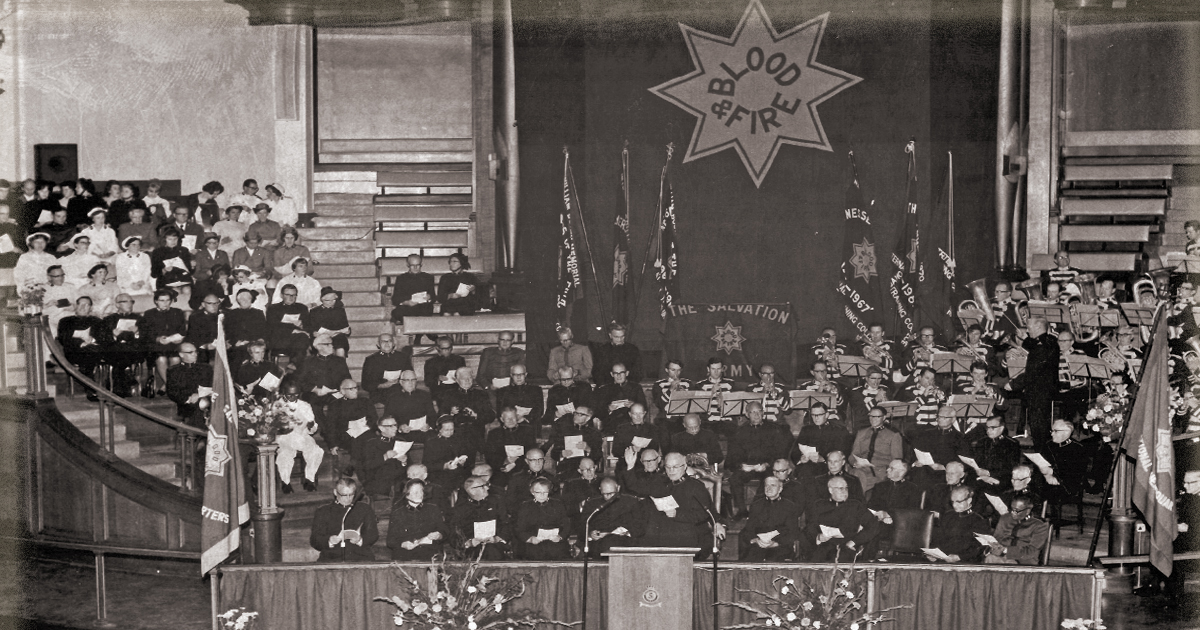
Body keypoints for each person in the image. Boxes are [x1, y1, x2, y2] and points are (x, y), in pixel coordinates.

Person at [640, 452, 726, 560]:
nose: (671, 471)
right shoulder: (660, 483)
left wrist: (677, 514)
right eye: (668, 467)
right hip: (663, 531)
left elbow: (704, 514)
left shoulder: (695, 486)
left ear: (684, 466)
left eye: (675, 467)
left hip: (689, 532)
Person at [727, 402, 790, 518]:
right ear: (747, 414)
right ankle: (742, 510)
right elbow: (732, 457)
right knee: (734, 479)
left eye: (759, 411)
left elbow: (781, 452)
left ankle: (758, 510)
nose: (756, 415)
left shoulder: (774, 429)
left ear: (763, 412)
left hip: (767, 467)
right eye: (752, 412)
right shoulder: (740, 432)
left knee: (770, 478)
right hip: (747, 467)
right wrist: (742, 466)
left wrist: (767, 464)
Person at [1005, 316, 1060, 448]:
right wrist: (1025, 338)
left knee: (1038, 428)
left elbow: (1032, 371)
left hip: (1039, 391)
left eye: (1029, 328)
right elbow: (1034, 344)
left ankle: (1042, 454)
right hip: (1043, 390)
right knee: (1040, 425)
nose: (1028, 331)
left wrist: (1013, 384)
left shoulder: (1041, 347)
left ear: (1038, 327)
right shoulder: (1050, 341)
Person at [797, 476, 879, 563]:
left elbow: (873, 525)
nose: (844, 491)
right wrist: (818, 537)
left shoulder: (855, 506)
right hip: (824, 545)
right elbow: (811, 527)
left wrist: (854, 542)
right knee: (814, 564)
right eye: (840, 488)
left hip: (846, 546)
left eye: (846, 488)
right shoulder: (819, 505)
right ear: (831, 490)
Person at [310, 478, 379, 562]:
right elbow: (314, 539)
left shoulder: (364, 509)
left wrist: (360, 540)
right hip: (332, 558)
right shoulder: (323, 511)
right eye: (344, 495)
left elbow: (373, 534)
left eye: (351, 494)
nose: (348, 498)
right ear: (335, 492)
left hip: (360, 557)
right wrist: (329, 541)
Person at [738, 475, 801, 562]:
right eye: (766, 485)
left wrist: (775, 543)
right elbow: (749, 529)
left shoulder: (790, 506)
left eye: (773, 485)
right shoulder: (756, 505)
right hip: (759, 545)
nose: (769, 488)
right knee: (750, 557)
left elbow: (793, 531)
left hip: (779, 545)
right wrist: (755, 540)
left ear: (780, 489)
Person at [579, 477, 646, 558]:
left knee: (611, 542)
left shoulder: (631, 502)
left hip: (622, 541)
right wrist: (591, 533)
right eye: (605, 494)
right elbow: (583, 525)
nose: (608, 497)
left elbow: (640, 526)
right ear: (600, 490)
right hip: (598, 544)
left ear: (618, 488)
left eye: (611, 493)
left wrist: (622, 531)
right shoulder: (592, 503)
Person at [909, 405, 972, 489]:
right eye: (939, 416)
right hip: (926, 470)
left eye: (944, 417)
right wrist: (916, 461)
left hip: (946, 472)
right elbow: (915, 452)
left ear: (953, 419)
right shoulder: (926, 434)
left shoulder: (960, 438)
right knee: (918, 475)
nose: (940, 419)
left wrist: (944, 467)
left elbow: (966, 461)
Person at [296, 334, 352, 428]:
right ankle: (327, 431)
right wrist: (315, 389)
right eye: (328, 344)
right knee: (314, 407)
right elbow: (300, 381)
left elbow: (347, 379)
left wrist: (343, 389)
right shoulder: (308, 362)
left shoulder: (339, 361)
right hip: (315, 393)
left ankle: (331, 432)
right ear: (318, 346)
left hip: (335, 393)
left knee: (338, 406)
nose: (332, 346)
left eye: (332, 344)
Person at [452, 474, 512, 560]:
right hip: (472, 548)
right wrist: (469, 543)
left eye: (487, 485)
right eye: (483, 486)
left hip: (495, 544)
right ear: (472, 491)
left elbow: (506, 524)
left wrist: (498, 538)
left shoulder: (496, 502)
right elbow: (454, 533)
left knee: (491, 550)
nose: (487, 488)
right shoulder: (461, 509)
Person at [925, 485, 991, 563]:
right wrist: (932, 554)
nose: (954, 505)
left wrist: (959, 557)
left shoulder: (979, 520)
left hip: (965, 562)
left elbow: (980, 547)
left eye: (959, 502)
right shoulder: (947, 516)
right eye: (952, 501)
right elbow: (938, 538)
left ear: (969, 500)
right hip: (943, 559)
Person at [1039, 420, 1090, 519]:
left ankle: (1047, 522)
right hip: (1047, 481)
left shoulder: (1078, 448)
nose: (1052, 434)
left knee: (1048, 491)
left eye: (1055, 431)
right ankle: (1034, 521)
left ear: (1066, 432)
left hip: (1068, 485)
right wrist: (1047, 475)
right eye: (1052, 431)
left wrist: (1054, 475)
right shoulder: (1048, 445)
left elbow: (1075, 473)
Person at [387, 479, 448, 561]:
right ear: (406, 495)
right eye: (415, 492)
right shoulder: (398, 513)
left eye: (421, 491)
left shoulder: (433, 509)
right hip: (406, 555)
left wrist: (439, 535)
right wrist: (402, 544)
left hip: (430, 555)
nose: (419, 495)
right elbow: (391, 540)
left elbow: (444, 531)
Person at [141, 289, 187, 398]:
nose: (165, 303)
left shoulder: (178, 312)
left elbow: (183, 330)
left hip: (174, 344)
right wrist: (157, 339)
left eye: (167, 300)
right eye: (162, 300)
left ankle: (167, 386)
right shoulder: (149, 314)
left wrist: (179, 338)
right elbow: (145, 333)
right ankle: (172, 386)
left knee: (175, 359)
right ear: (156, 301)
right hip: (156, 345)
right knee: (161, 359)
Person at [437, 367, 495, 452]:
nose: (467, 380)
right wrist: (451, 413)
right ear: (457, 380)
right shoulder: (449, 394)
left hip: (475, 431)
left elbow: (491, 415)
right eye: (463, 378)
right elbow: (441, 415)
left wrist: (476, 415)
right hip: (455, 431)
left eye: (469, 378)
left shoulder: (481, 394)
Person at [57, 296, 105, 399]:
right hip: (74, 352)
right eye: (81, 304)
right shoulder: (65, 321)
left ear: (91, 308)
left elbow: (103, 338)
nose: (83, 307)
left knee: (92, 352)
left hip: (93, 350)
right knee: (89, 354)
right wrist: (81, 343)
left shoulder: (97, 321)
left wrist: (92, 340)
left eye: (87, 305)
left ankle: (91, 389)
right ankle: (91, 387)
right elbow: (63, 338)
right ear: (75, 306)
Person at [323, 380, 374, 476]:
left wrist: (367, 426)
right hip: (346, 436)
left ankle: (353, 465)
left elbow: (373, 419)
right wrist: (333, 444)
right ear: (342, 391)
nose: (355, 391)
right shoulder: (335, 405)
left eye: (356, 388)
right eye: (351, 389)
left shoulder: (365, 402)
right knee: (359, 441)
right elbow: (331, 426)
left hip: (365, 433)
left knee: (366, 439)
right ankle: (363, 473)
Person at [850, 406, 905, 493]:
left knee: (859, 481)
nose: (873, 419)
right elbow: (853, 454)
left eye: (877, 417)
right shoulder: (861, 433)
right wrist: (855, 463)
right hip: (861, 468)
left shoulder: (893, 435)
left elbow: (896, 461)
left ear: (883, 417)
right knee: (854, 477)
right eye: (871, 416)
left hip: (880, 472)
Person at [791, 402, 852, 478]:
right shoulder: (806, 430)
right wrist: (801, 459)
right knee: (803, 472)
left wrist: (823, 459)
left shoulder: (838, 430)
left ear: (826, 415)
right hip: (807, 466)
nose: (816, 418)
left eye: (819, 415)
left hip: (829, 466)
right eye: (813, 415)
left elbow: (844, 452)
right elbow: (794, 451)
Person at [985, 494, 1050, 565]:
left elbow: (1032, 550)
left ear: (1027, 511)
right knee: (990, 558)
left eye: (1017, 510)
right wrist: (993, 547)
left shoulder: (1039, 525)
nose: (1013, 513)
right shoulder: (1005, 518)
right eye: (1012, 509)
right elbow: (997, 538)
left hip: (1023, 560)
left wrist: (1006, 550)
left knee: (1008, 564)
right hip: (1001, 556)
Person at [515, 479, 572, 560]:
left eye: (545, 492)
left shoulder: (558, 504)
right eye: (538, 492)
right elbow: (519, 528)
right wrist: (530, 538)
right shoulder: (525, 506)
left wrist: (560, 537)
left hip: (555, 541)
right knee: (532, 553)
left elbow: (567, 525)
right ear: (532, 492)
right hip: (533, 542)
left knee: (559, 552)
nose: (542, 495)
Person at [483, 408, 539, 486]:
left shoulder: (527, 431)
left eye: (513, 418)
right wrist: (505, 462)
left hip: (522, 467)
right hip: (501, 469)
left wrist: (514, 464)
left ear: (517, 418)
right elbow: (489, 455)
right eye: (507, 418)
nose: (510, 420)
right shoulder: (494, 434)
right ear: (502, 419)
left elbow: (532, 452)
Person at [102, 294, 144, 397]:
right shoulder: (109, 319)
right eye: (125, 302)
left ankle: (118, 390)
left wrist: (137, 333)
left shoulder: (140, 319)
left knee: (122, 354)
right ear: (117, 305)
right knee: (118, 352)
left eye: (131, 301)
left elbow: (147, 338)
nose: (129, 304)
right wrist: (113, 335)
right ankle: (127, 373)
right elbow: (103, 339)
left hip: (134, 350)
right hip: (115, 351)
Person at [548, 405, 604, 479]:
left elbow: (599, 455)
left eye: (580, 414)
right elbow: (554, 453)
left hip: (586, 468)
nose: (576, 416)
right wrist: (561, 454)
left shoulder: (594, 434)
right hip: (568, 468)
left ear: (588, 418)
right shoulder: (564, 431)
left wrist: (588, 449)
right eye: (575, 413)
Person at [358, 416, 409, 496]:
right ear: (381, 428)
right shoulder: (371, 443)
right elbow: (366, 466)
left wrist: (404, 462)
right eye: (391, 426)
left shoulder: (401, 441)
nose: (395, 428)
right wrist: (384, 457)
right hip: (380, 480)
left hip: (399, 480)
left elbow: (410, 464)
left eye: (395, 425)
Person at [866, 460, 923, 531]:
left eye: (891, 468)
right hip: (878, 522)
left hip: (900, 526)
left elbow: (912, 511)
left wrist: (889, 515)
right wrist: (880, 514)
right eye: (888, 467)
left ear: (902, 471)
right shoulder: (880, 486)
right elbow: (871, 505)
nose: (887, 470)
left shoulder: (913, 489)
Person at [165, 342, 213, 428]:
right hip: (188, 405)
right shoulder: (174, 371)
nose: (195, 354)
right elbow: (172, 392)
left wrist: (199, 395)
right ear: (181, 354)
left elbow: (213, 386)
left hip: (208, 401)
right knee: (196, 410)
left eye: (195, 351)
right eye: (191, 352)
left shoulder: (206, 368)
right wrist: (188, 399)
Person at [383, 370, 436, 444]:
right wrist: (400, 427)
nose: (410, 383)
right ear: (401, 382)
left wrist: (429, 425)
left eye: (413, 380)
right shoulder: (393, 398)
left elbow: (432, 415)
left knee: (433, 440)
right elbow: (387, 418)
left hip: (423, 432)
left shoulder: (425, 395)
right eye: (407, 380)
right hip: (402, 434)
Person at [614, 403, 669, 472]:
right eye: (635, 414)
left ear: (645, 413)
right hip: (626, 462)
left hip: (647, 463)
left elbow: (655, 448)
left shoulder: (653, 429)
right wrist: (632, 450)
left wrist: (642, 450)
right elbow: (615, 451)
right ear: (630, 414)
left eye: (641, 413)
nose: (638, 417)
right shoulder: (622, 429)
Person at [266, 285, 311, 368]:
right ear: (282, 295)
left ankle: (294, 365)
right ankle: (294, 366)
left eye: (294, 295)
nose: (291, 298)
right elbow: (273, 326)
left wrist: (302, 326)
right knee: (300, 341)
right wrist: (293, 329)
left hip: (298, 338)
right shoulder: (273, 308)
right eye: (288, 295)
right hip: (280, 338)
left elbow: (308, 325)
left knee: (302, 338)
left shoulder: (302, 308)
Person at [593, 362, 647, 432]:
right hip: (611, 425)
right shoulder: (604, 389)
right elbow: (598, 411)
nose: (619, 376)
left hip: (631, 423)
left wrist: (634, 406)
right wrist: (609, 409)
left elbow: (645, 408)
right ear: (612, 374)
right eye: (616, 373)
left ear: (627, 373)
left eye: (621, 373)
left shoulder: (636, 388)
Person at [360, 333, 414, 404]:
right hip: (380, 393)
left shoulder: (403, 357)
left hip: (400, 390)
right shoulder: (371, 360)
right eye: (383, 341)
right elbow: (365, 384)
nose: (387, 343)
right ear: (378, 344)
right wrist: (382, 385)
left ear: (393, 343)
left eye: (389, 341)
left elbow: (411, 376)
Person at [390, 254, 436, 334]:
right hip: (408, 307)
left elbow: (434, 297)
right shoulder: (401, 278)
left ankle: (418, 335)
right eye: (412, 265)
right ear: (408, 265)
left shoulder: (428, 277)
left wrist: (429, 297)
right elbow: (395, 299)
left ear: (421, 264)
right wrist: (406, 302)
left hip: (423, 307)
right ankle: (422, 334)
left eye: (418, 265)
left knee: (426, 311)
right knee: (396, 312)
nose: (415, 268)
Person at [423, 418, 474, 491]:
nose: (449, 432)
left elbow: (466, 455)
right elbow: (427, 465)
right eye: (446, 430)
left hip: (458, 471)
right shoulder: (431, 443)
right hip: (440, 474)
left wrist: (463, 461)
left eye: (452, 430)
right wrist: (445, 466)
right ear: (439, 430)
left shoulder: (458, 439)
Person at [691, 357, 737, 434]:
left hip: (728, 421)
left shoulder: (731, 384)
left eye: (718, 369)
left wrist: (724, 403)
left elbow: (736, 405)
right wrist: (711, 393)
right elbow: (698, 407)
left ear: (722, 369)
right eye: (713, 369)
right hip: (710, 422)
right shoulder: (700, 385)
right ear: (708, 369)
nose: (716, 372)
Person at [225, 289, 270, 368]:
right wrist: (235, 342)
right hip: (237, 344)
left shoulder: (258, 313)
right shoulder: (231, 314)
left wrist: (258, 341)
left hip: (254, 343)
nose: (245, 301)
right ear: (238, 301)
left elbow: (264, 331)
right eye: (242, 299)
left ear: (251, 300)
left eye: (247, 298)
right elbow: (228, 332)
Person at [971, 417, 1022, 487]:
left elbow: (1012, 467)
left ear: (1001, 428)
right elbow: (977, 462)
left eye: (992, 428)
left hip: (1001, 480)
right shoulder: (981, 442)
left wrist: (989, 473)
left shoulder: (1011, 444)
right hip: (982, 478)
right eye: (987, 427)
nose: (988, 430)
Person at [504, 448, 558, 513]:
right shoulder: (517, 479)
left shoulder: (551, 478)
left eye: (540, 459)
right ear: (527, 461)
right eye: (533, 460)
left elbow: (556, 502)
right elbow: (510, 504)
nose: (537, 463)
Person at [306, 286, 351, 356]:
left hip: (337, 336)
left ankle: (341, 365)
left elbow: (345, 326)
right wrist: (313, 332)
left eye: (333, 300)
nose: (331, 302)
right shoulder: (315, 311)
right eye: (328, 300)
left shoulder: (339, 310)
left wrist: (348, 331)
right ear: (322, 300)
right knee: (323, 344)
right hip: (321, 337)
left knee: (340, 346)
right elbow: (310, 327)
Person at [653, 359, 693, 435]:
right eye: (673, 370)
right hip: (667, 419)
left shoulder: (688, 383)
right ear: (666, 370)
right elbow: (659, 404)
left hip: (684, 418)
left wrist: (685, 394)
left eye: (678, 370)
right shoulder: (659, 385)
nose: (676, 373)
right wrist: (670, 390)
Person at [846, 367, 891, 433]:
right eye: (873, 378)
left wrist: (886, 401)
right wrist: (875, 400)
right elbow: (860, 413)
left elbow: (891, 412)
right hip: (865, 424)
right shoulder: (857, 392)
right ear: (866, 378)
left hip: (884, 424)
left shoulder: (885, 389)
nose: (876, 381)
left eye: (879, 379)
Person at [184, 293, 222, 363]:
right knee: (203, 356)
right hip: (203, 347)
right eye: (210, 303)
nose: (214, 306)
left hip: (221, 347)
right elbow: (192, 336)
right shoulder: (195, 317)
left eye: (216, 303)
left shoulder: (223, 315)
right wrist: (205, 345)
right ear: (203, 304)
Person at [114, 236, 153, 303]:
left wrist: (141, 282)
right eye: (133, 245)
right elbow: (120, 273)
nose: (136, 247)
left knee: (146, 294)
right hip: (127, 285)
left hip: (142, 284)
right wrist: (130, 284)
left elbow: (147, 271)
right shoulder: (121, 257)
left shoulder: (145, 256)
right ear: (127, 246)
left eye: (138, 245)